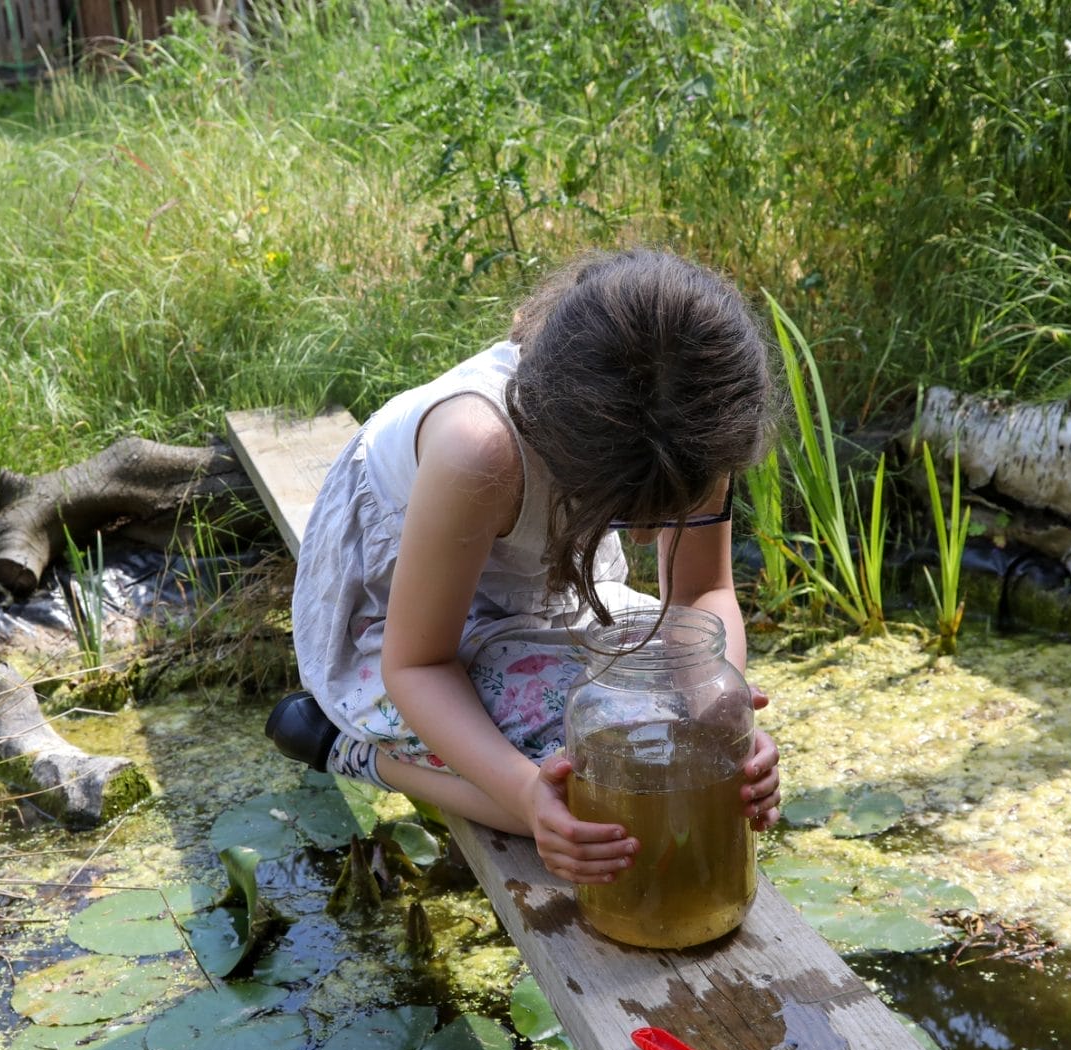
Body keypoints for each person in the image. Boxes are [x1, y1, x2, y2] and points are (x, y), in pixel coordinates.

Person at [273, 248, 783, 886]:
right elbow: (417, 664)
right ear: (568, 446)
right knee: (594, 791)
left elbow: (704, 592)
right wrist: (526, 796)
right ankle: (351, 749)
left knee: (670, 745)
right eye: (635, 512)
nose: (653, 533)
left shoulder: (698, 421)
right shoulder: (478, 449)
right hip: (400, 620)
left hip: (550, 590)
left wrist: (718, 714)